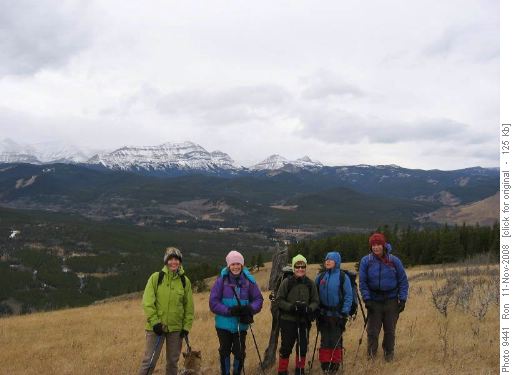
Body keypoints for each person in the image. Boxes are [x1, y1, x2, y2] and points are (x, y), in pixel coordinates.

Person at [139, 247, 194, 375]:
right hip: (156, 328)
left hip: (176, 330)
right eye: (171, 259)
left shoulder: (185, 282)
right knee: (149, 362)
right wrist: (155, 322)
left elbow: (189, 307)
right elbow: (147, 302)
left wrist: (186, 327)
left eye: (177, 259)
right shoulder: (156, 278)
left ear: (180, 262)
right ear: (166, 261)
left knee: (172, 363)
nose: (173, 262)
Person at [209, 250, 264, 375]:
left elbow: (258, 299)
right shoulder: (221, 281)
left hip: (242, 324)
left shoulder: (249, 282)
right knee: (224, 351)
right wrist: (229, 310)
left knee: (240, 353)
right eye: (233, 264)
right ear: (228, 266)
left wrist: (249, 309)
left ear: (242, 265)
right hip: (223, 325)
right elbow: (213, 303)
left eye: (238, 264)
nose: (235, 267)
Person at [359, 233, 409, 362]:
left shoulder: (394, 260)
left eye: (378, 245)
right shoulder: (366, 261)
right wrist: (367, 298)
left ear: (384, 245)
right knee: (372, 332)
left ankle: (389, 356)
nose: (376, 247)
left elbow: (403, 281)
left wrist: (402, 299)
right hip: (374, 301)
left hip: (391, 300)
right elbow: (363, 282)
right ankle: (371, 357)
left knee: (390, 331)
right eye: (373, 245)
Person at [276, 254, 319, 375]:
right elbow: (279, 300)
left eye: (302, 266)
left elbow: (316, 301)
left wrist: (309, 309)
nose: (300, 269)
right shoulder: (286, 282)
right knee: (286, 348)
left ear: (306, 267)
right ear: (293, 268)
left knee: (302, 348)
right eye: (297, 266)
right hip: (288, 320)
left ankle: (300, 371)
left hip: (304, 321)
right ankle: (282, 371)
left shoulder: (310, 284)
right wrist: (291, 307)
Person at [315, 251, 353, 373]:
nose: (328, 261)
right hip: (323, 315)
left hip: (338, 316)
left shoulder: (343, 277)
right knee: (325, 341)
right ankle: (325, 366)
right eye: (326, 259)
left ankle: (334, 367)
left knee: (336, 341)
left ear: (337, 262)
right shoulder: (320, 277)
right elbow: (314, 294)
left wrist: (344, 314)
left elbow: (348, 297)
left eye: (331, 260)